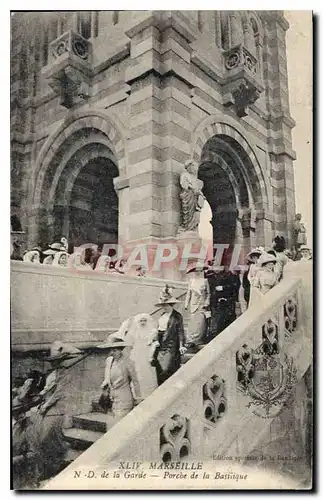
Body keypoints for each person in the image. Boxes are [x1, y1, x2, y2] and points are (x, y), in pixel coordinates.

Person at [27, 341, 83, 483]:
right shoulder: (52, 373)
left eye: (56, 361)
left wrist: (46, 405)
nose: (53, 363)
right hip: (45, 406)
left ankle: (56, 464)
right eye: (52, 361)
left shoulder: (66, 373)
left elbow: (58, 393)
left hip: (57, 409)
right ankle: (51, 466)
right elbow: (48, 388)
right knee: (43, 438)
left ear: (62, 360)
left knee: (47, 437)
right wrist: (40, 396)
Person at [99, 337, 141, 422]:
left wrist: (138, 398)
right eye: (110, 350)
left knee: (120, 425)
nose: (112, 353)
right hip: (112, 400)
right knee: (112, 426)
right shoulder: (109, 361)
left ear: (120, 350)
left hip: (124, 400)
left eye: (115, 350)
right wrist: (105, 384)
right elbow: (107, 377)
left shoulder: (128, 362)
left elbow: (135, 381)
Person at [152, 285, 187, 385]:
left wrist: (181, 345)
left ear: (171, 305)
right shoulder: (161, 315)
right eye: (163, 305)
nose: (165, 307)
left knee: (167, 368)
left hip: (171, 345)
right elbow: (158, 330)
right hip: (160, 344)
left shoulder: (177, 316)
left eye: (167, 305)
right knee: (158, 366)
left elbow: (180, 331)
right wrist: (155, 340)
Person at [126, 313, 159, 399]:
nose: (143, 322)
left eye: (145, 320)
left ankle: (149, 393)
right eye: (141, 321)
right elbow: (130, 344)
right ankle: (139, 394)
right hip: (137, 354)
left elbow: (153, 342)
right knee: (138, 373)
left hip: (147, 353)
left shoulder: (151, 332)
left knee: (148, 373)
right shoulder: (135, 333)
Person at [206, 264, 240, 340]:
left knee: (227, 320)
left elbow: (233, 286)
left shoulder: (229, 276)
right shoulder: (210, 277)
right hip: (215, 302)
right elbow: (210, 290)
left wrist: (223, 288)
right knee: (216, 321)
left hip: (227, 301)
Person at [185, 263, 210, 346]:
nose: (198, 272)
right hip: (193, 304)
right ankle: (191, 340)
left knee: (201, 322)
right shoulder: (192, 281)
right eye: (196, 271)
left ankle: (199, 339)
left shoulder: (205, 281)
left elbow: (208, 293)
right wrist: (186, 304)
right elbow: (189, 293)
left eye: (199, 270)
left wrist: (206, 302)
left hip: (202, 304)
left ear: (202, 271)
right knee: (193, 322)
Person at [178, 159, 205, 232]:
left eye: (195, 167)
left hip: (195, 197)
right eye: (193, 166)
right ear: (189, 167)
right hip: (188, 196)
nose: (195, 169)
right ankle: (187, 227)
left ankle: (192, 228)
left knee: (196, 213)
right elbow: (184, 185)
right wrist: (193, 188)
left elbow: (198, 188)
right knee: (188, 213)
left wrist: (200, 193)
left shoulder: (196, 179)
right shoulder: (185, 175)